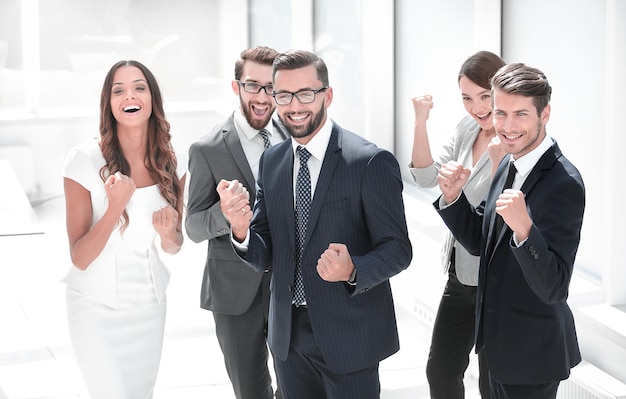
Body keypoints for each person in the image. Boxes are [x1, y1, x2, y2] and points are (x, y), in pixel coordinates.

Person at [217, 49, 412, 399]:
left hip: (349, 336)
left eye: (306, 94)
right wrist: (241, 229)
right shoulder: (272, 162)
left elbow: (399, 250)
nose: (295, 106)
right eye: (284, 96)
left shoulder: (369, 161)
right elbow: (266, 253)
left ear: (328, 95)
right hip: (288, 338)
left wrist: (354, 268)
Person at [434, 62, 585, 398]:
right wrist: (453, 198)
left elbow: (554, 287)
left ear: (544, 114)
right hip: (496, 349)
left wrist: (525, 231)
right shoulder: (506, 164)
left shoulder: (565, 183)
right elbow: (480, 242)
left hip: (533, 356)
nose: (507, 126)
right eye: (500, 113)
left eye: (520, 114)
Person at [62, 60, 186, 399]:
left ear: (152, 98)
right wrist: (115, 207)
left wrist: (168, 234)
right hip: (94, 307)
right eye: (119, 90)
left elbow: (175, 246)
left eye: (139, 87)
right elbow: (80, 258)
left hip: (148, 306)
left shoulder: (172, 162)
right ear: (109, 102)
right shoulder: (83, 160)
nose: (129, 95)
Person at [185, 46, 288, 399]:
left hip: (291, 286)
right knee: (251, 392)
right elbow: (194, 226)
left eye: (270, 87)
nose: (262, 97)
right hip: (234, 294)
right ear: (236, 87)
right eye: (252, 86)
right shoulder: (207, 149)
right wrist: (226, 216)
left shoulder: (295, 137)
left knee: (297, 386)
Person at [409, 50, 505, 398]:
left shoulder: (514, 138)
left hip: (495, 281)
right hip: (460, 275)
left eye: (485, 97)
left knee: (491, 384)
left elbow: (503, 216)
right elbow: (425, 177)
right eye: (468, 98)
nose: (478, 107)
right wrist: (421, 122)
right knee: (440, 371)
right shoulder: (468, 128)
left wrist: (494, 168)